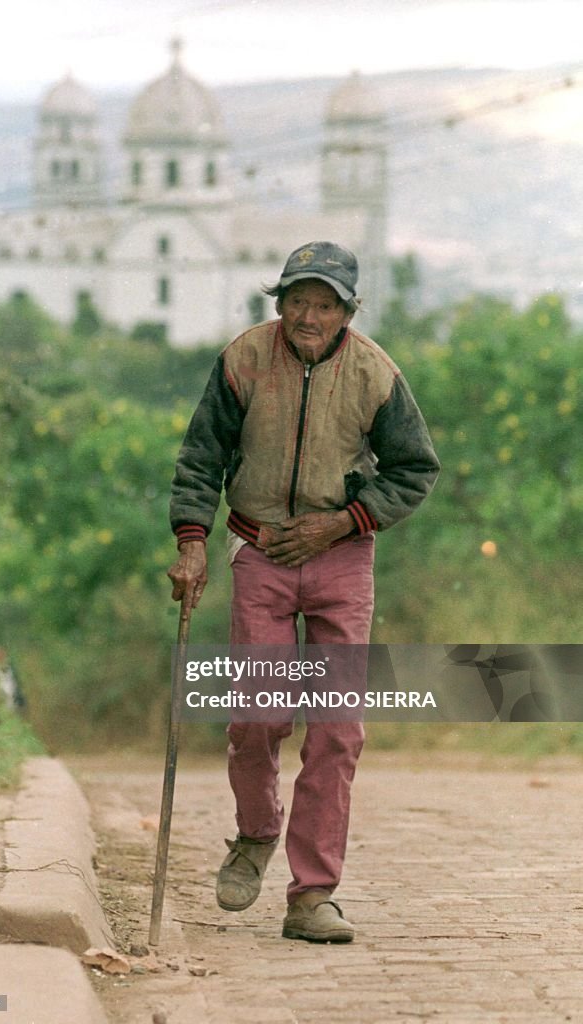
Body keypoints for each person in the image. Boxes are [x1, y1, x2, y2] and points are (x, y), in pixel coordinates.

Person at [167, 240, 440, 943]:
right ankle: (255, 834)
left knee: (337, 729)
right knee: (258, 714)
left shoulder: (376, 373)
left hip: (342, 559)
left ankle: (312, 894)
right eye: (297, 301)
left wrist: (343, 522)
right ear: (280, 303)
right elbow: (202, 454)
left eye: (323, 304)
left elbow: (414, 470)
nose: (307, 316)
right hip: (259, 549)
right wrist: (192, 542)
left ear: (347, 311)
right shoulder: (244, 359)